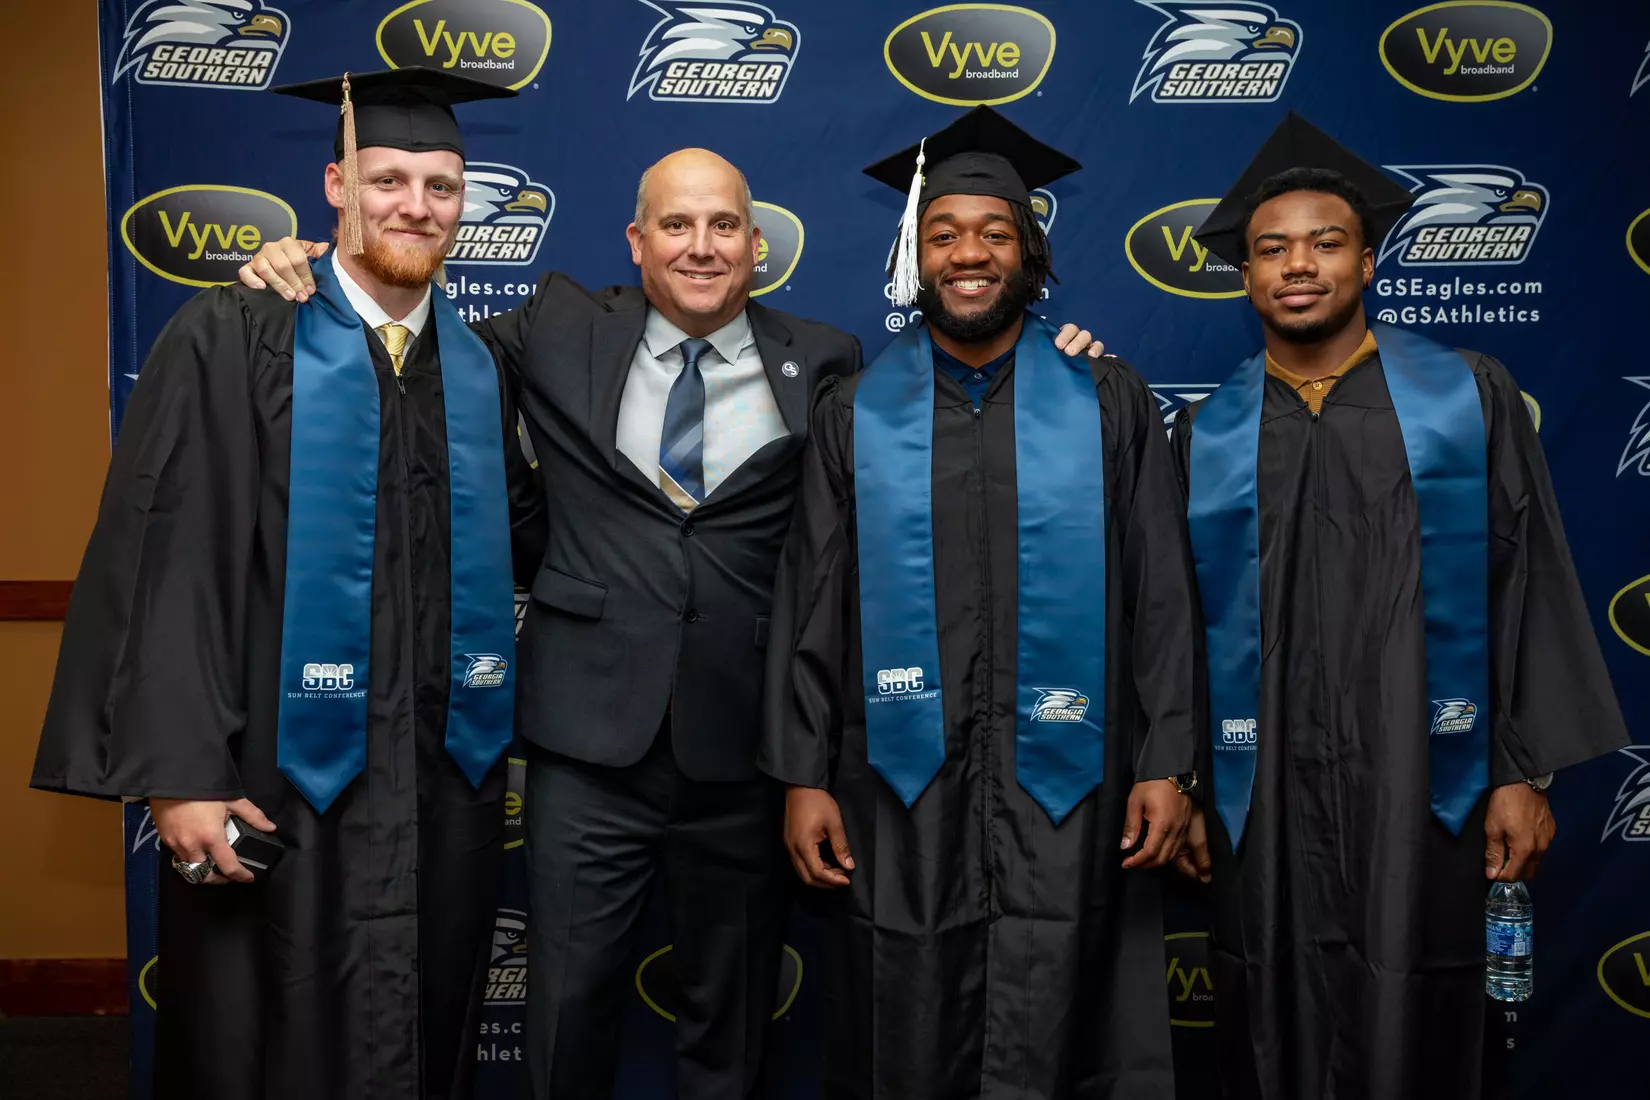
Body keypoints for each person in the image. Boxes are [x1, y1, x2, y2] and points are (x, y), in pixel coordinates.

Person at [241, 143, 1106, 1099]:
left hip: (743, 753)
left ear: (758, 243)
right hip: (585, 748)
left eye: (724, 224)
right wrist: (310, 271)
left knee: (729, 1028)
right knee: (564, 1018)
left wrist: (1054, 359)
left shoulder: (828, 364)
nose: (702, 247)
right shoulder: (557, 329)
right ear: (637, 241)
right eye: (677, 225)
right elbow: (410, 339)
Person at [31, 67, 546, 1100]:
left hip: (441, 781)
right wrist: (177, 773)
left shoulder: (480, 368)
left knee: (426, 1020)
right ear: (336, 185)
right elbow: (167, 558)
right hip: (269, 778)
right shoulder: (236, 336)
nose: (414, 204)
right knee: (258, 1033)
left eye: (441, 185)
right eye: (387, 178)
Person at [1169, 112, 1631, 1100]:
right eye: (1272, 248)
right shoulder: (1209, 430)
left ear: (1370, 262)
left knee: (1419, 996)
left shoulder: (1465, 395)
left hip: (1425, 778)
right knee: (1268, 999)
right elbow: (1173, 625)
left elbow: (1528, 580)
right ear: (1245, 274)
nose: (1300, 265)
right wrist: (1193, 780)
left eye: (1326, 243)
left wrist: (1520, 769)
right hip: (1267, 790)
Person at [761, 105, 1202, 1099]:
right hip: (895, 779)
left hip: (1074, 778)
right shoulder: (855, 413)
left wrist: (1168, 757)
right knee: (903, 1011)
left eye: (994, 232)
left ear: (1030, 251)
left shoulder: (1106, 400)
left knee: (1068, 1007)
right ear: (916, 256)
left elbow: (1164, 593)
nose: (969, 253)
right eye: (944, 233)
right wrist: (802, 772)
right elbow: (811, 596)